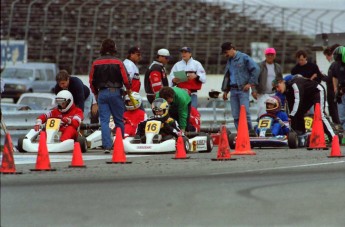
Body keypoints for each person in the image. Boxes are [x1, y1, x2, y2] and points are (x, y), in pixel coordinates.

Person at [89, 38, 132, 153]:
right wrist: (128, 89)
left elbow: (91, 81)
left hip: (102, 92)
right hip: (116, 92)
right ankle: (120, 144)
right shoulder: (118, 62)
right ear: (114, 48)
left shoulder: (96, 62)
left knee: (104, 121)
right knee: (119, 120)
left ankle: (107, 146)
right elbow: (126, 79)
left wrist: (96, 93)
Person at [273, 75, 335, 141]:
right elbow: (292, 108)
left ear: (282, 82)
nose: (277, 89)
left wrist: (291, 116)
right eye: (275, 88)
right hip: (307, 95)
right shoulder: (287, 92)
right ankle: (300, 134)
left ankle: (333, 137)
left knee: (319, 115)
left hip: (317, 91)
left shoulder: (294, 84)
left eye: (277, 86)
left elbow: (298, 101)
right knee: (298, 113)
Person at [220, 42, 260, 130]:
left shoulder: (244, 57)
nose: (225, 55)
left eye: (226, 52)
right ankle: (240, 133)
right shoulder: (229, 61)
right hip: (233, 90)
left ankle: (249, 133)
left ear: (231, 49)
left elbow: (256, 69)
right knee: (235, 115)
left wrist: (250, 83)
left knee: (245, 113)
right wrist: (226, 90)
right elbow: (228, 76)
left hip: (242, 89)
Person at [256, 47, 283, 117]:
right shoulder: (259, 66)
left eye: (272, 55)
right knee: (261, 110)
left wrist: (279, 88)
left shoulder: (278, 67)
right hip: (262, 93)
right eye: (268, 55)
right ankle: (260, 125)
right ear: (265, 55)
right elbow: (254, 79)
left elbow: (280, 80)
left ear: (275, 56)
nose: (270, 56)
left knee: (275, 111)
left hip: (274, 94)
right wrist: (253, 91)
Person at [323, 44, 341, 126]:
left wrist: (320, 75)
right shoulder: (337, 65)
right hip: (334, 92)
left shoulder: (334, 65)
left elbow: (330, 79)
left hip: (333, 93)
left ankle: (338, 126)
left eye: (327, 56)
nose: (326, 59)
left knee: (335, 111)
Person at [332, 46, 345, 130]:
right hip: (340, 93)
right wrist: (335, 88)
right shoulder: (336, 65)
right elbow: (334, 76)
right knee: (342, 117)